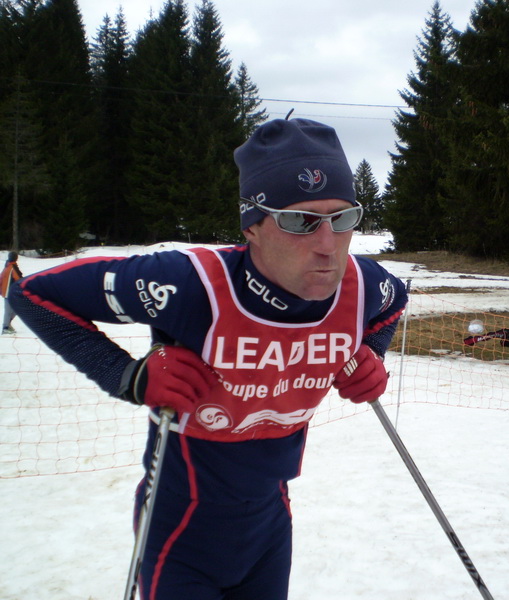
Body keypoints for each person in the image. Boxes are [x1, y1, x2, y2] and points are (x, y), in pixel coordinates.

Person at [9, 118, 408, 599]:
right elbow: (33, 296)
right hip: (180, 533)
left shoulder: (363, 286)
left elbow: (394, 303)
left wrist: (371, 355)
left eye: (342, 218)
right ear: (252, 227)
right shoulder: (189, 284)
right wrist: (127, 376)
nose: (328, 245)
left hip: (269, 528)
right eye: (299, 221)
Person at [1, 251, 22, 334]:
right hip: (10, 293)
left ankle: (7, 325)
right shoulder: (13, 267)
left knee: (13, 309)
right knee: (13, 309)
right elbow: (19, 279)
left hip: (7, 292)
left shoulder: (7, 266)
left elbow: (1, 278)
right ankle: (5, 327)